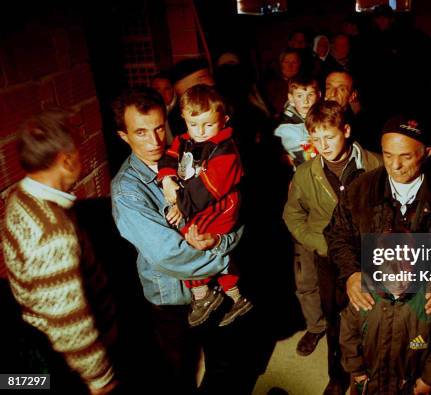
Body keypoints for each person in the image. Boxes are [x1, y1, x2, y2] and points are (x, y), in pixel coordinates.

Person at [110, 87, 244, 394]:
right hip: (173, 300)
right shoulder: (127, 191)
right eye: (141, 132)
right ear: (124, 136)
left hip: (212, 287)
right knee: (180, 374)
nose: (154, 141)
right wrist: (225, 255)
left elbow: (235, 212)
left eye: (159, 128)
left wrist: (221, 240)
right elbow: (170, 255)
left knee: (223, 366)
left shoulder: (197, 153)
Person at [324, 115, 431, 383]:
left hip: (417, 310)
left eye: (406, 157)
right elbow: (337, 235)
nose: (395, 166)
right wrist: (352, 273)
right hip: (370, 300)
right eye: (388, 155)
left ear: (427, 153)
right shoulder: (361, 189)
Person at [2, 109, 117, 395]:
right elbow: (70, 325)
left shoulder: (22, 194)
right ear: (66, 161)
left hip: (36, 330)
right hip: (67, 360)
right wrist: (101, 379)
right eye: (78, 152)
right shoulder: (54, 235)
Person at [283, 101, 382, 394]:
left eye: (330, 136)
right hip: (328, 259)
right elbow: (292, 214)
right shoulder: (305, 174)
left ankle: (371, 372)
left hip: (370, 257)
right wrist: (318, 243)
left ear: (347, 130)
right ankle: (338, 376)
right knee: (335, 320)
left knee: (373, 317)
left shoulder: (376, 164)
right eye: (316, 138)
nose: (323, 145)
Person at [157, 84, 252, 328]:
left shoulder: (226, 153)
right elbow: (168, 157)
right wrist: (167, 179)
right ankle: (235, 297)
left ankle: (202, 296)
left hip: (220, 208)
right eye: (193, 124)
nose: (200, 132)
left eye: (208, 125)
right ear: (184, 119)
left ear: (224, 120)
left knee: (191, 243)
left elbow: (203, 193)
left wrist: (180, 204)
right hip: (197, 204)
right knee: (201, 246)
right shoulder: (184, 140)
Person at [340, 260, 431, 394]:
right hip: (368, 383)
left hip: (410, 386)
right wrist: (357, 370)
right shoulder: (364, 297)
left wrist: (429, 379)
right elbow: (348, 336)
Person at [274, 75, 321, 169]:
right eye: (299, 96)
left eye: (310, 95)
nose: (305, 101)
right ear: (291, 98)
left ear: (319, 95)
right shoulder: (285, 125)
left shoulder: (324, 115)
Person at [151, 71, 181, 144]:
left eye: (167, 89)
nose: (162, 94)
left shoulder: (183, 109)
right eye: (157, 89)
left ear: (173, 89)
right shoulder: (148, 111)